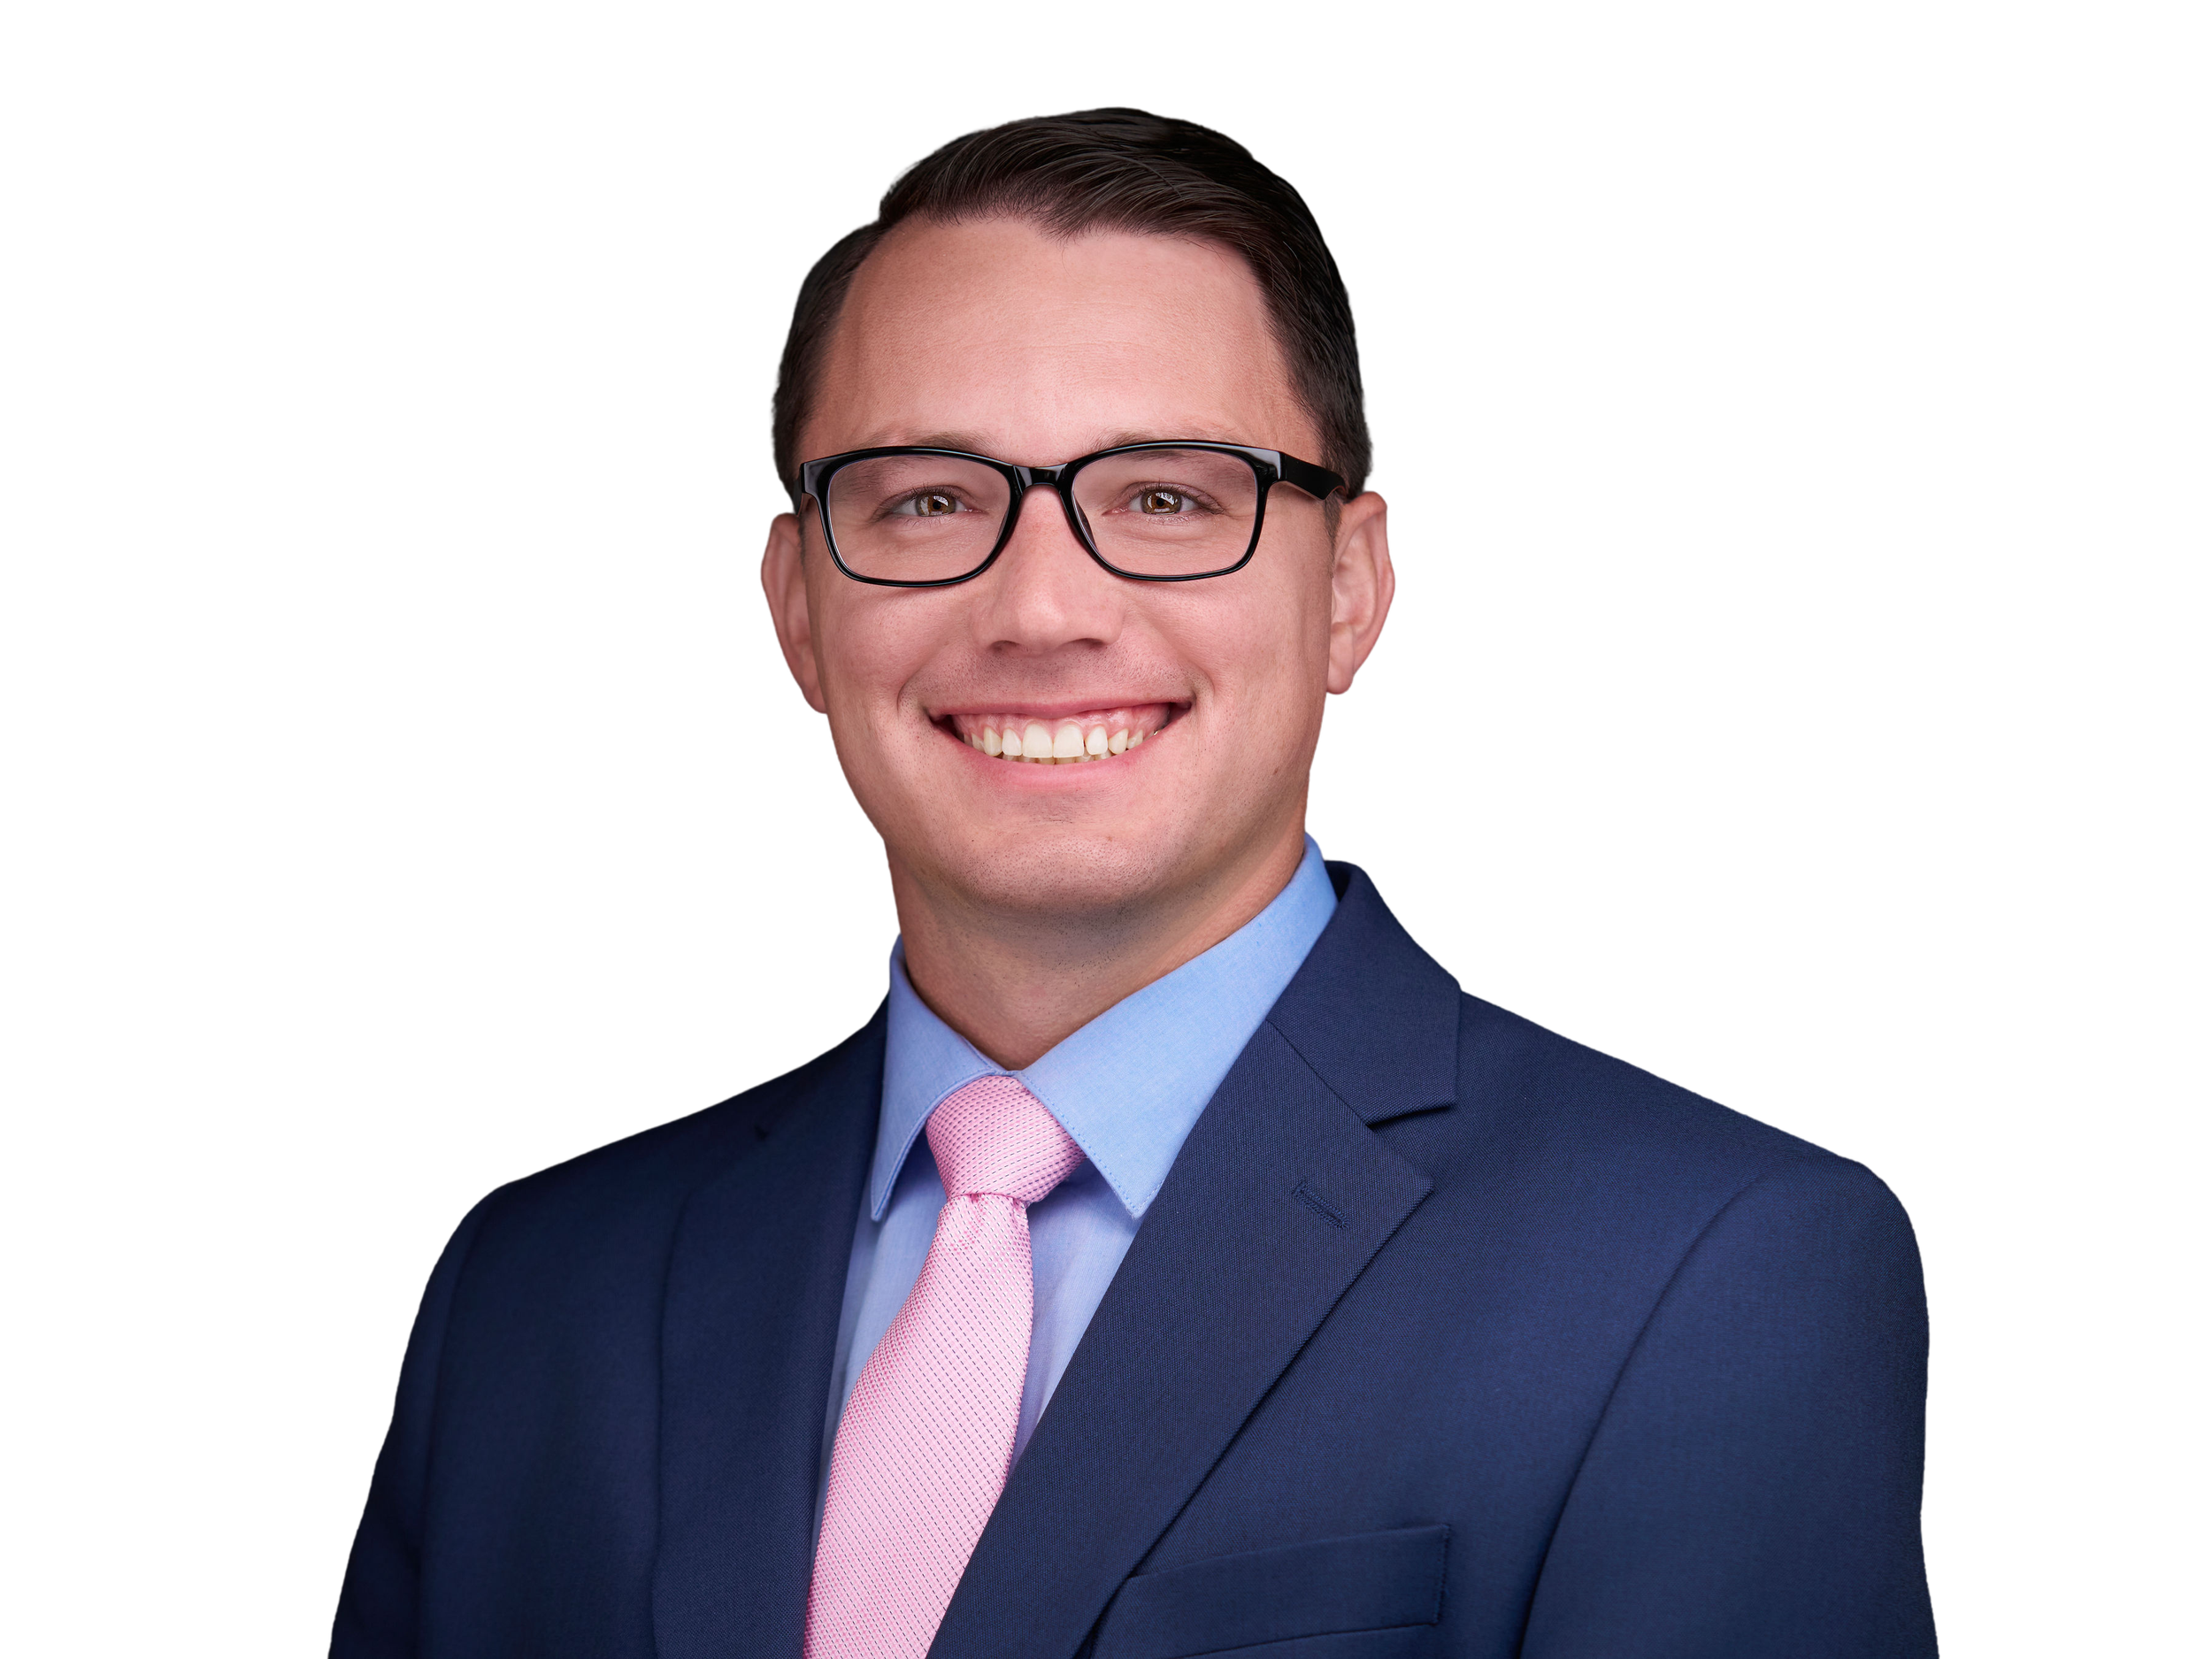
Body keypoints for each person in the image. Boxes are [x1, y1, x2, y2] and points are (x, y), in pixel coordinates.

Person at [334, 109, 1936, 1658]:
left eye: (1167, 497)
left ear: (1353, 588)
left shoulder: (1710, 1274)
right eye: (927, 497)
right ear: (794, 612)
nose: (1041, 606)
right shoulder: (530, 1296)